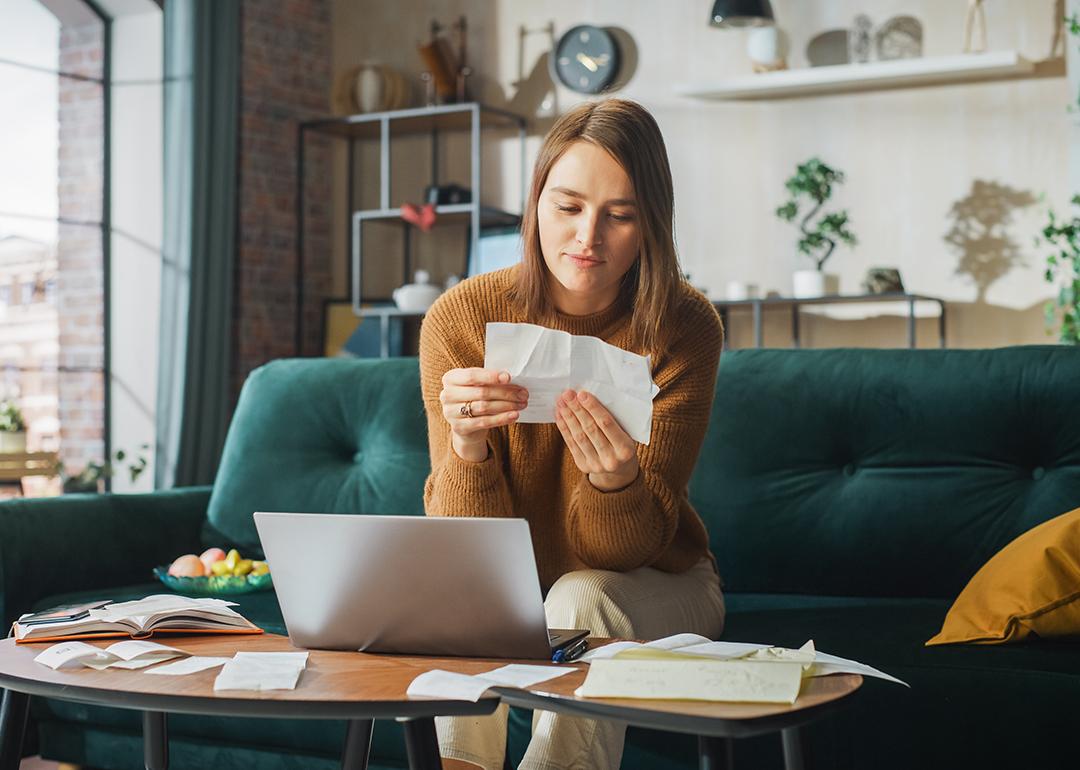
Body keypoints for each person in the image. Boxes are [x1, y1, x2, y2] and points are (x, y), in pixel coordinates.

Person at [419, 98, 725, 770]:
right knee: (461, 607)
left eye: (620, 215)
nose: (589, 236)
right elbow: (469, 556)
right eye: (568, 206)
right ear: (534, 208)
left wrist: (615, 481)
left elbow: (622, 551)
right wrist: (467, 448)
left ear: (650, 227)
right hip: (511, 591)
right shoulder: (460, 318)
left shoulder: (684, 327)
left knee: (581, 594)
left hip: (653, 580)